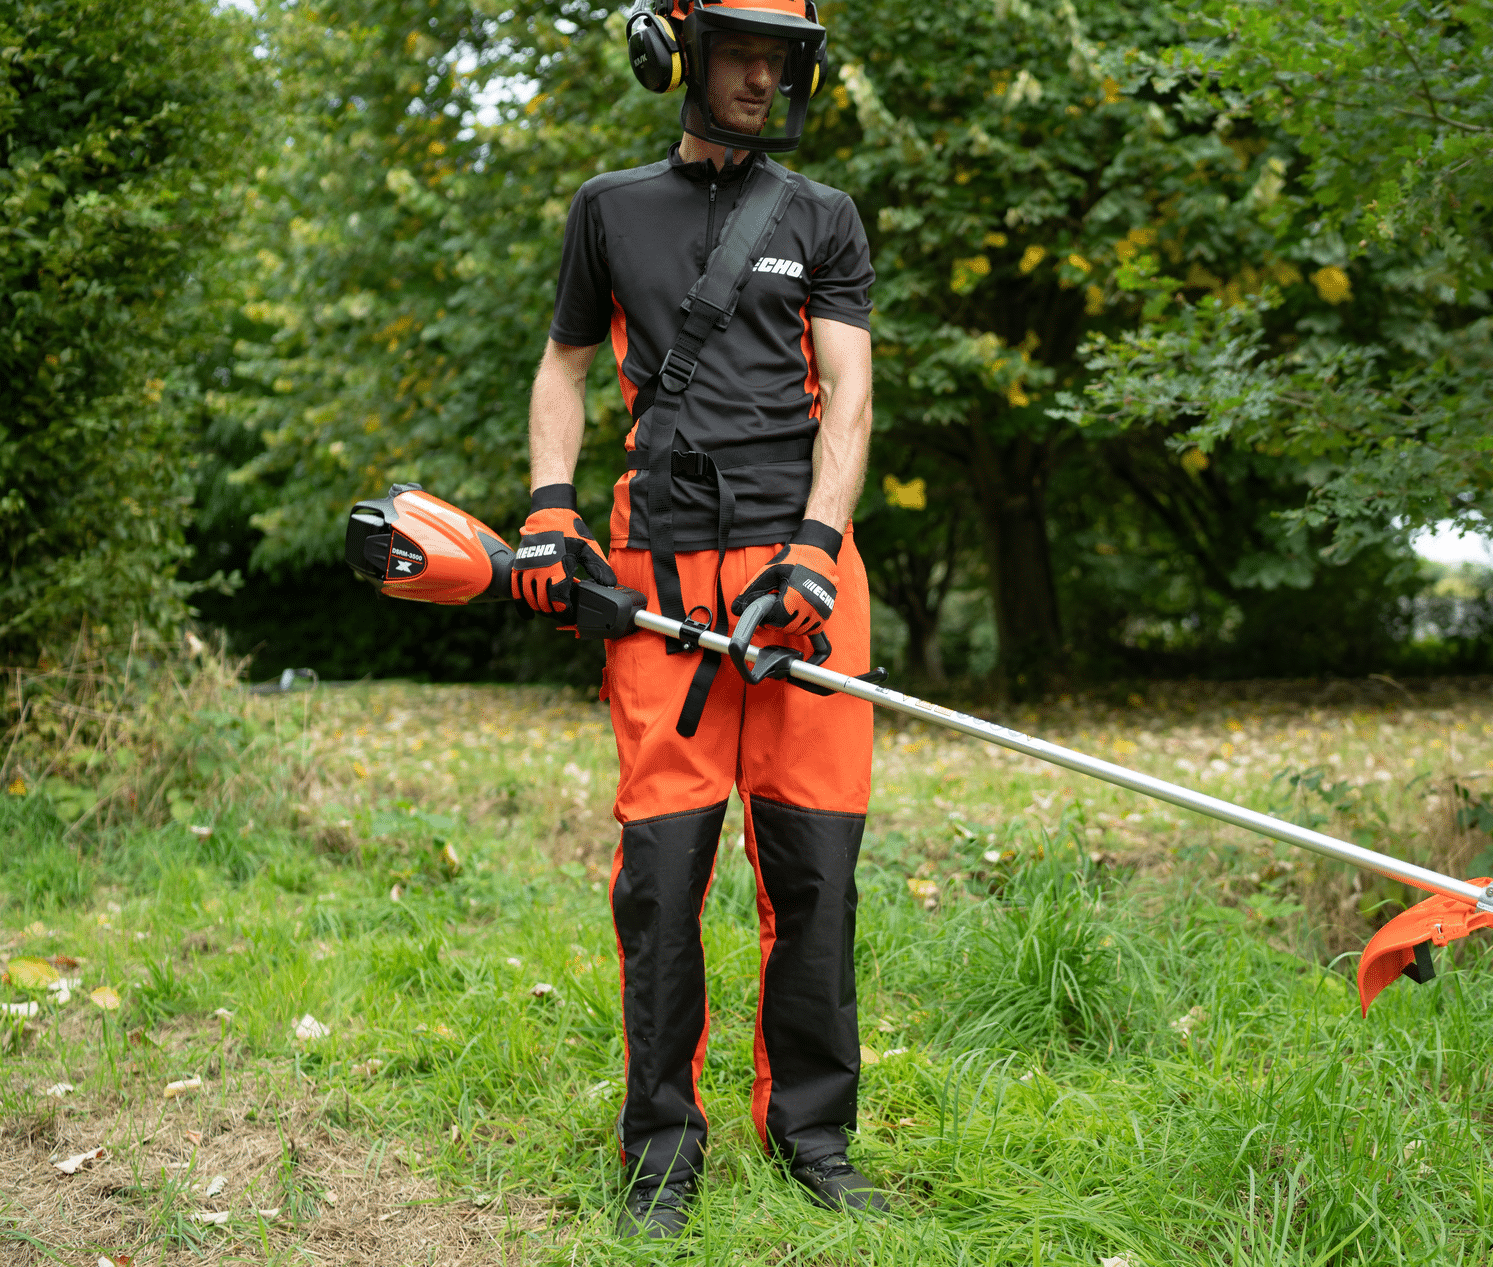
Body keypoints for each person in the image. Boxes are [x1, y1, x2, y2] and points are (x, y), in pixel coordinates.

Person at [509, 0, 880, 1240]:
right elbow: (563, 366)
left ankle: (814, 1131)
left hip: (801, 578)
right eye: (740, 53)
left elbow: (849, 400)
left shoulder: (823, 217)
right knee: (664, 879)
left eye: (781, 61)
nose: (761, 78)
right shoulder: (609, 208)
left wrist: (817, 555)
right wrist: (554, 516)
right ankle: (662, 1151)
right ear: (678, 53)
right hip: (657, 578)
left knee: (814, 871)